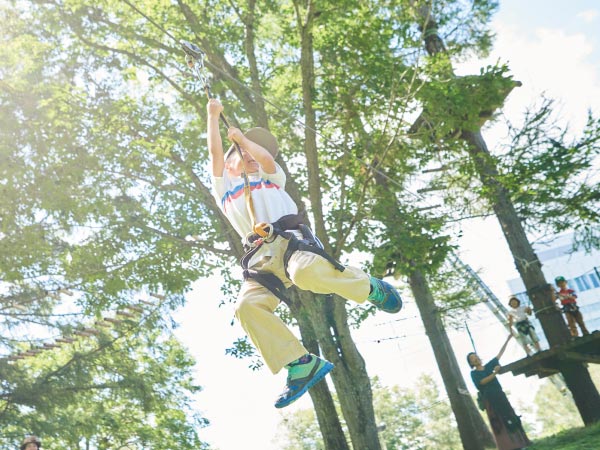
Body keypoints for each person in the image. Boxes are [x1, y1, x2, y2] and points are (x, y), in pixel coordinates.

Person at [207, 98, 402, 408]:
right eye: (246, 153)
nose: (255, 156)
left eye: (259, 151)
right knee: (246, 307)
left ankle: (369, 287)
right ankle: (300, 363)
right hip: (261, 260)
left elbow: (266, 160)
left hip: (290, 243)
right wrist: (213, 115)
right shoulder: (224, 190)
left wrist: (244, 140)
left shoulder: (271, 178)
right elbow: (216, 153)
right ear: (233, 159)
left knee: (306, 273)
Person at [467, 335, 530, 450]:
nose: (475, 358)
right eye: (472, 358)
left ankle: (521, 443)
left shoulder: (488, 366)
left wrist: (507, 339)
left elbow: (499, 354)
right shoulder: (474, 374)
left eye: (475, 356)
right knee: (499, 421)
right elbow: (482, 382)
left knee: (510, 416)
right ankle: (508, 447)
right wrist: (495, 373)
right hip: (490, 399)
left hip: (500, 395)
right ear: (471, 363)